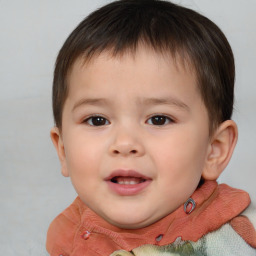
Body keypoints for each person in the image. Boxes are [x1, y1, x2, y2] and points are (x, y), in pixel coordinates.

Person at [46, 0, 256, 255]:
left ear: (214, 149)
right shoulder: (67, 239)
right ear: (63, 149)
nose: (125, 143)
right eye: (97, 120)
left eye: (159, 119)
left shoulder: (239, 234)